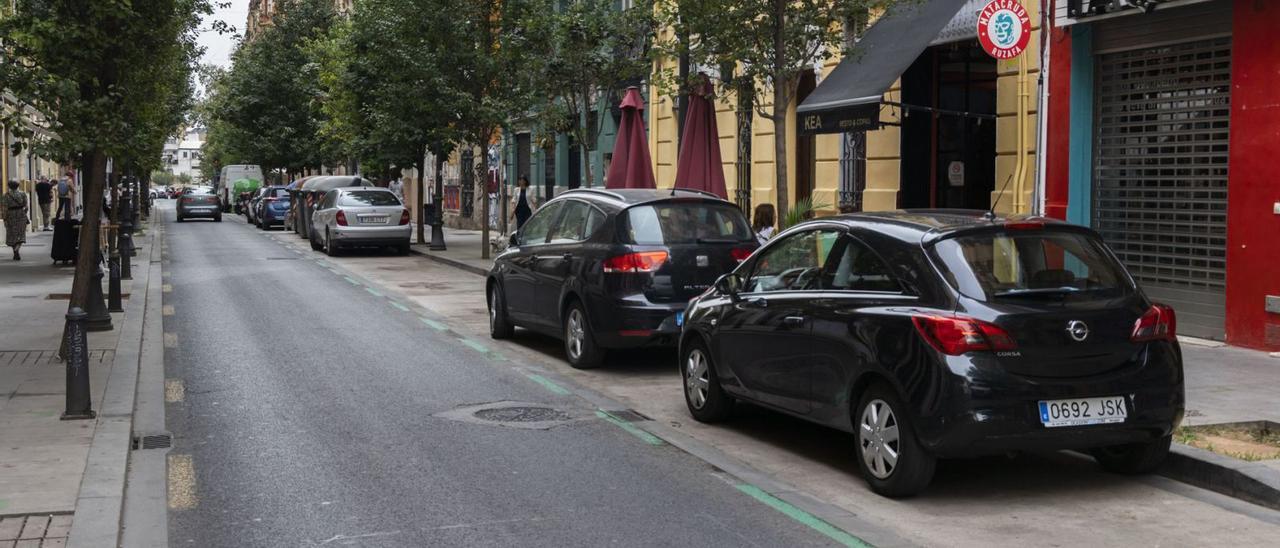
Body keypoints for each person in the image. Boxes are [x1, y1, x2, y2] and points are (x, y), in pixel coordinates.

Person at [4, 180, 30, 260]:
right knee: (21, 233)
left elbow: (4, 208)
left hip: (10, 215)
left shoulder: (6, 195)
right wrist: (23, 213)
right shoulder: (22, 193)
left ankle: (15, 251)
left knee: (12, 234)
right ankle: (17, 249)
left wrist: (5, 218)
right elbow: (26, 206)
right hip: (20, 214)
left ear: (9, 186)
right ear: (18, 186)